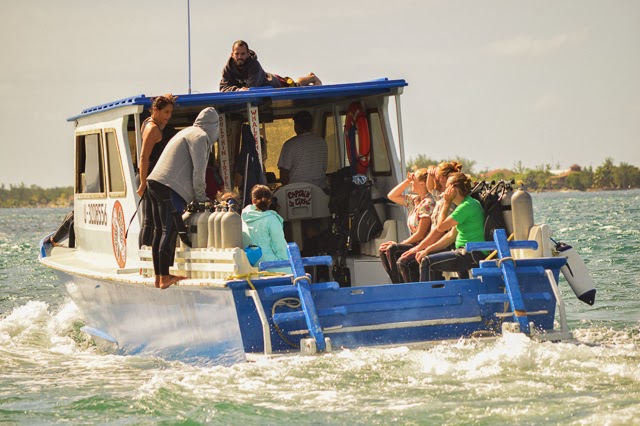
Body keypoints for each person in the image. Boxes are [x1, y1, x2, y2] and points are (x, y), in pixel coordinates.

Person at [146, 107, 220, 289]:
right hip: (169, 186)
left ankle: (159, 276)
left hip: (154, 182)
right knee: (169, 230)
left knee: (158, 230)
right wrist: (201, 197)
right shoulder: (200, 137)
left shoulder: (188, 131)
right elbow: (199, 170)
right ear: (214, 126)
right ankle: (164, 277)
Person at [415, 172, 487, 282]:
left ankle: (426, 298)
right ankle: (437, 294)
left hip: (471, 253)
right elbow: (451, 236)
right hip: (464, 252)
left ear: (454, 189)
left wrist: (447, 202)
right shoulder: (465, 205)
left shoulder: (467, 205)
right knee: (428, 257)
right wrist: (427, 250)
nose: (444, 191)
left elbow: (440, 227)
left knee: (428, 262)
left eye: (447, 187)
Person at [397, 161, 462, 282]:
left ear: (442, 179)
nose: (432, 179)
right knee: (405, 258)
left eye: (435, 177)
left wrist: (421, 248)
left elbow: (440, 231)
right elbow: (430, 188)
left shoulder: (449, 200)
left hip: (442, 243)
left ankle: (420, 294)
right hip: (435, 241)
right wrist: (432, 175)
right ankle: (410, 292)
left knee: (406, 261)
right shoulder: (440, 197)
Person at [378, 168, 436, 283]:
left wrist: (401, 243)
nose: (411, 183)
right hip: (414, 243)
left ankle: (403, 287)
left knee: (392, 249)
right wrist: (406, 181)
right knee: (383, 249)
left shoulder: (428, 203)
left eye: (413, 180)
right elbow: (392, 196)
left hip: (423, 244)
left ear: (422, 184)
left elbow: (421, 234)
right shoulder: (414, 200)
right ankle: (397, 284)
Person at [136, 94, 178, 248]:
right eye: (166, 112)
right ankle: (144, 261)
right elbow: (143, 157)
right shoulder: (153, 129)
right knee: (149, 222)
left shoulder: (149, 122)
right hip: (148, 177)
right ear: (155, 110)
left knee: (152, 221)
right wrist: (142, 183)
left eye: (171, 112)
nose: (169, 116)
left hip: (153, 178)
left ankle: (147, 260)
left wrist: (166, 98)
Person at [220, 40, 322, 92]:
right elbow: (223, 87)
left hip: (271, 82)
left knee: (293, 86)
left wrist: (240, 89)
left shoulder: (254, 65)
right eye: (237, 54)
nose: (240, 57)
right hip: (258, 87)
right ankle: (310, 80)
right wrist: (237, 90)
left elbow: (251, 88)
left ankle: (311, 78)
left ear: (247, 54)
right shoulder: (228, 69)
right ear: (232, 54)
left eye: (242, 54)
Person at [241, 185, 290, 273]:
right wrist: (289, 263)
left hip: (250, 266)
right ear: (270, 201)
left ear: (252, 200)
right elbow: (280, 246)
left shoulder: (242, 218)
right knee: (295, 272)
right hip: (269, 266)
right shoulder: (271, 219)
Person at [277, 111, 328, 189]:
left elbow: (284, 173)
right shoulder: (322, 142)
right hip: (319, 191)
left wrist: (286, 191)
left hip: (296, 192)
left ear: (297, 126)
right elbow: (324, 168)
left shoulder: (290, 144)